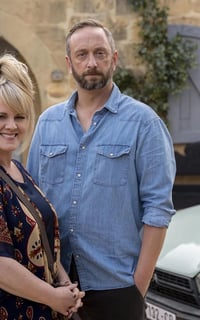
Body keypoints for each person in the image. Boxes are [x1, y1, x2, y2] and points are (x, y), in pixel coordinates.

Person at [27, 19, 176, 320]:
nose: (91, 62)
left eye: (100, 53)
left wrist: (138, 287)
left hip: (117, 287)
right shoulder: (48, 123)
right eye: (82, 55)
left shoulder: (144, 124)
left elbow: (158, 211)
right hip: (54, 285)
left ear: (114, 59)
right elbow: (32, 201)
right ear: (69, 63)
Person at [0, 53, 85, 320]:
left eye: (20, 117)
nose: (11, 126)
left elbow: (44, 236)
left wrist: (64, 284)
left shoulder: (20, 170)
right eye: (1, 116)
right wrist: (53, 297)